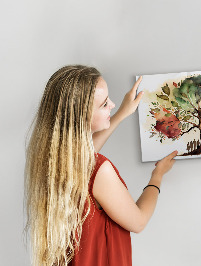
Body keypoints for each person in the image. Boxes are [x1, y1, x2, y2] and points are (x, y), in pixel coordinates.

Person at [24, 65, 177, 266]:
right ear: (81, 117)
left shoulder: (53, 159)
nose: (112, 104)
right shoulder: (99, 170)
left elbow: (86, 156)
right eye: (105, 104)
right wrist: (157, 175)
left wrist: (122, 113)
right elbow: (138, 221)